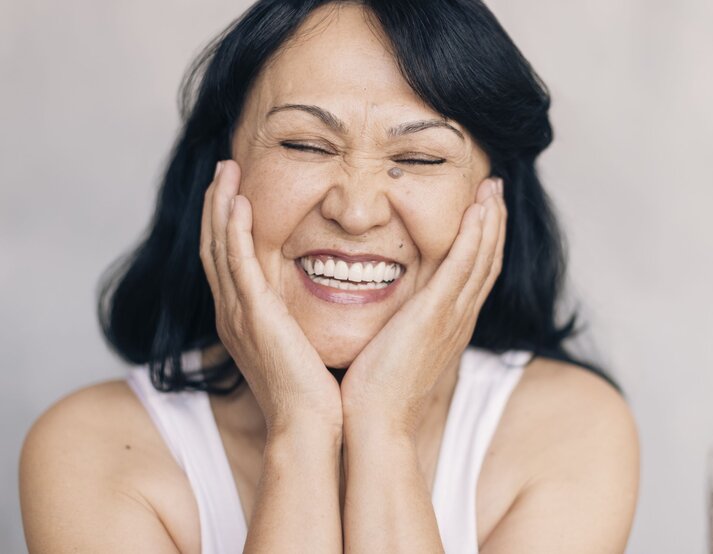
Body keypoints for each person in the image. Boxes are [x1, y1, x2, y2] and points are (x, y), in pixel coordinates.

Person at [19, 1, 640, 552]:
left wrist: (383, 427)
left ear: (495, 204)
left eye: (419, 157)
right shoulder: (89, 453)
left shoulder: (568, 431)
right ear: (219, 173)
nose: (357, 209)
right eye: (305, 146)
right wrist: (300, 427)